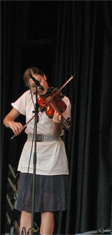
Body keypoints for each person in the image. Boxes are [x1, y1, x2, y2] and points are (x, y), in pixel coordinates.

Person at [3, 67, 71, 235]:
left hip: (52, 155)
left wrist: (56, 124)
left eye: (41, 82)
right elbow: (7, 118)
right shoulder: (27, 98)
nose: (39, 88)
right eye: (34, 87)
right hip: (30, 152)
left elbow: (57, 134)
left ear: (45, 77)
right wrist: (12, 124)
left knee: (47, 208)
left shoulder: (63, 100)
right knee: (26, 205)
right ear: (29, 88)